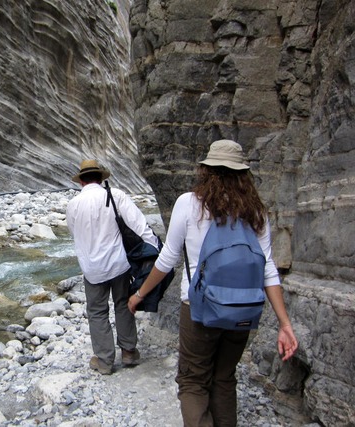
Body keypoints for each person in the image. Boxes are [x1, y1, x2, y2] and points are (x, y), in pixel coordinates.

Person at [127, 140, 298, 426]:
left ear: (205, 170)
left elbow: (168, 258)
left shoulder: (189, 204)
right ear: (243, 174)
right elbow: (268, 269)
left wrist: (140, 293)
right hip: (243, 310)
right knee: (224, 378)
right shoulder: (257, 212)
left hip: (198, 308)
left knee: (193, 381)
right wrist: (285, 324)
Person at [66, 159, 159, 375]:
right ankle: (128, 351)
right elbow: (139, 224)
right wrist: (156, 247)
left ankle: (105, 361)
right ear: (101, 178)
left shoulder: (73, 204)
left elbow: (74, 233)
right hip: (119, 263)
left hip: (92, 268)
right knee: (122, 303)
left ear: (81, 181)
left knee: (97, 311)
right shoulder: (115, 196)